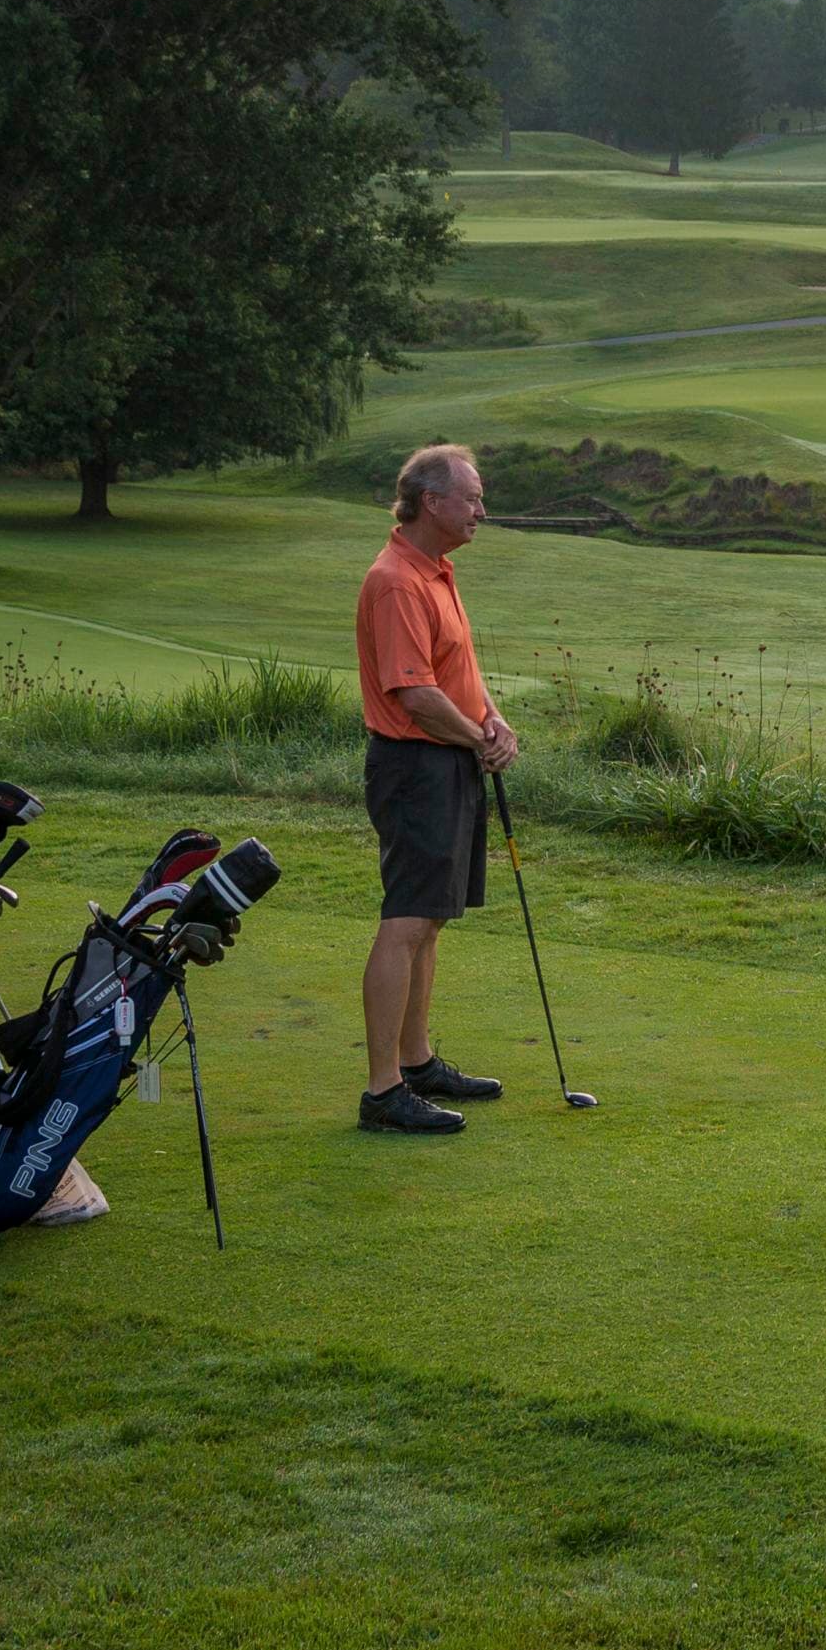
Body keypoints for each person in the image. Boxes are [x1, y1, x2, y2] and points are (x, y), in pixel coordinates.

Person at [353, 442, 521, 1135]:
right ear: (432, 501)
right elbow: (414, 694)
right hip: (414, 766)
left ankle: (416, 1061)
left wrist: (493, 718)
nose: (482, 509)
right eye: (472, 497)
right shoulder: (396, 580)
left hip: (445, 760)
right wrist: (477, 738)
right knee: (408, 920)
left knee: (433, 919)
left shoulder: (437, 572)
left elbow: (454, 675)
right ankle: (383, 1091)